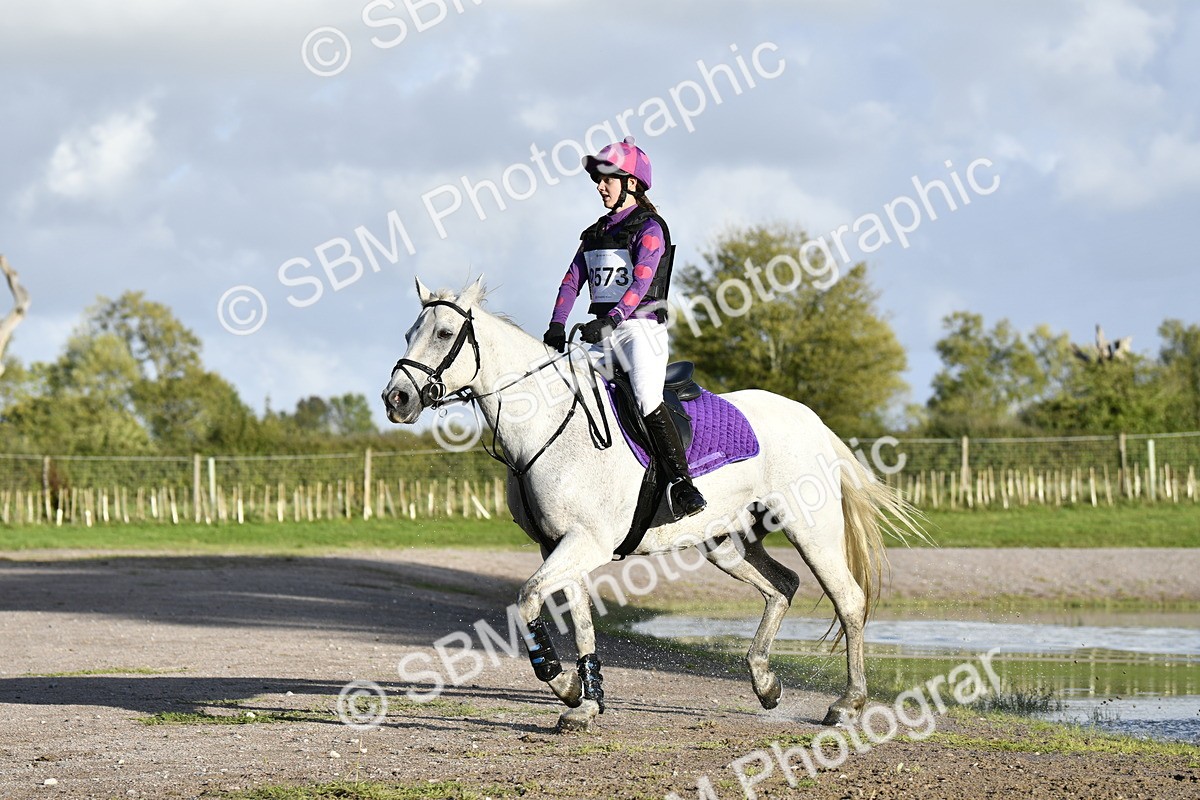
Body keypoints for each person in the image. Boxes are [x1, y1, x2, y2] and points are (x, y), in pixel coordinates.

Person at [542, 137, 706, 519]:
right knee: (562, 390)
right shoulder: (594, 234)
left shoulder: (650, 229)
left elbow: (641, 284)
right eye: (598, 180)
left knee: (647, 399)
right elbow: (571, 282)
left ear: (631, 182)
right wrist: (556, 325)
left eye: (607, 179)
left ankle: (682, 484)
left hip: (639, 331)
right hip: (601, 334)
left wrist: (612, 320)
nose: (600, 186)